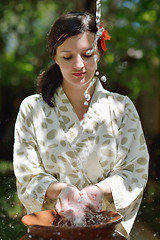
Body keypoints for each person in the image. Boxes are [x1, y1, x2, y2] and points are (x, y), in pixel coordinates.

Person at [13, 12, 149, 239]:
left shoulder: (122, 108)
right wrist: (61, 191)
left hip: (104, 231)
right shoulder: (32, 109)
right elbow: (27, 173)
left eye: (87, 55)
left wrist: (98, 191)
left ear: (99, 53)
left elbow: (135, 171)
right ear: (55, 57)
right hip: (52, 231)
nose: (79, 65)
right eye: (67, 57)